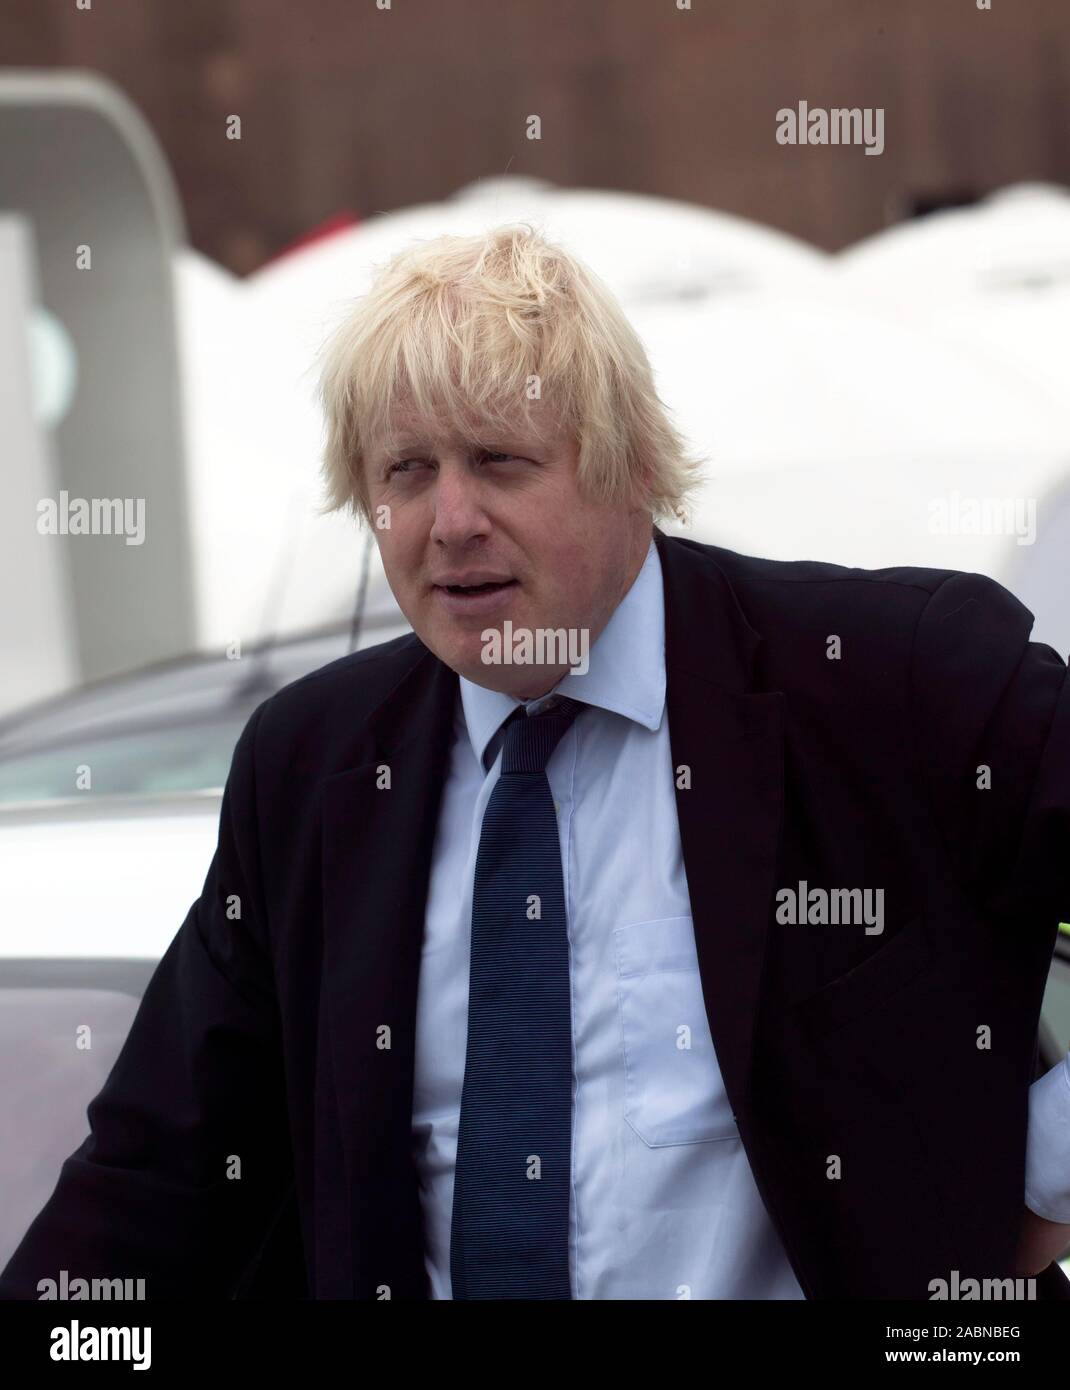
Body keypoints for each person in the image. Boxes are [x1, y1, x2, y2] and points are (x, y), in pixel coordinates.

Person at [3, 223, 1069, 1300]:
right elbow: (156, 1186)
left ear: (628, 466)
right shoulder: (313, 768)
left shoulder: (891, 681)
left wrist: (1034, 1173)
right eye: (406, 472)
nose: (449, 521)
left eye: (499, 461)